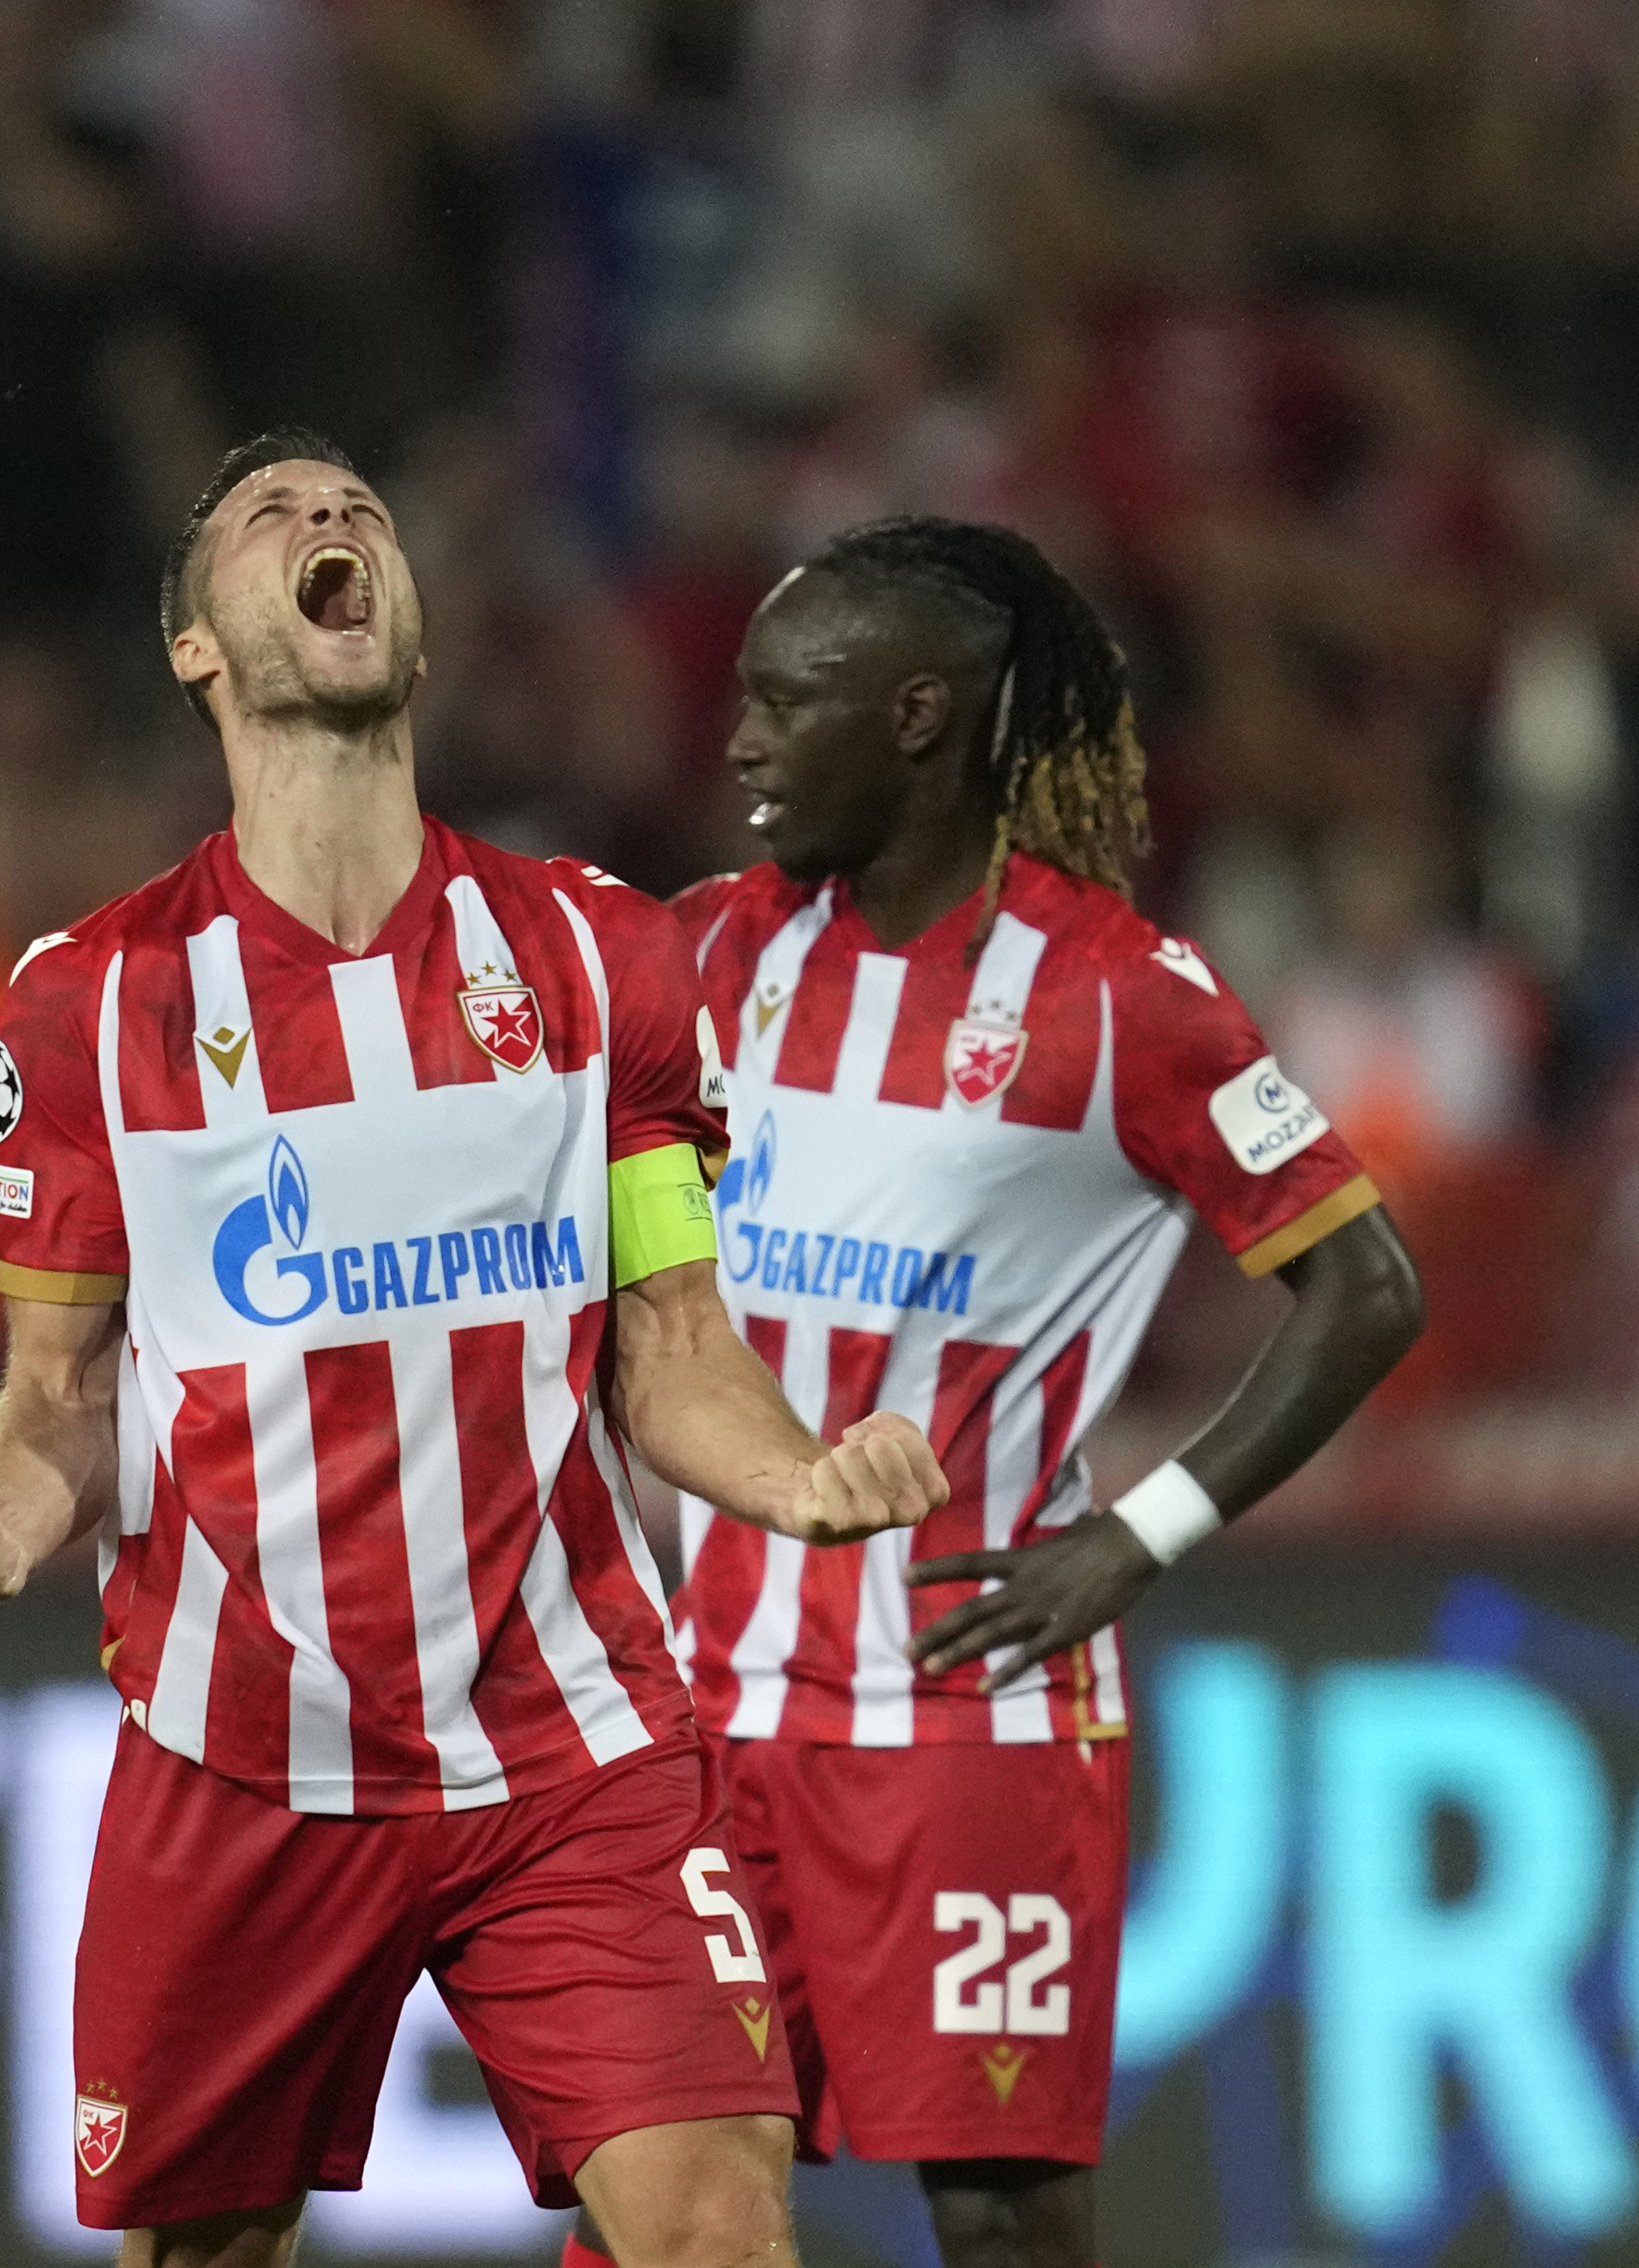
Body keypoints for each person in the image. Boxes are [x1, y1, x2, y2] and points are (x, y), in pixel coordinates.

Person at [0, 429, 950, 2268]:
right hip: (241, 1759)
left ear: (413, 626)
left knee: (716, 2229)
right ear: (197, 647)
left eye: (357, 504)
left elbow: (670, 1337)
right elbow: (57, 1401)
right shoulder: (90, 1006)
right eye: (271, 517)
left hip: (573, 1743)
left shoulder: (605, 959)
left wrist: (798, 1471)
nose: (332, 520)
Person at [567, 516, 1424, 2268]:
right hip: (702, 1714)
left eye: (781, 701)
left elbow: (1366, 1284)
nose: (733, 740)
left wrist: (1135, 1532)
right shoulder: (700, 957)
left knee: (1003, 2217)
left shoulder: (1123, 997)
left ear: (916, 717)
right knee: (661, 2208)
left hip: (967, 1713)